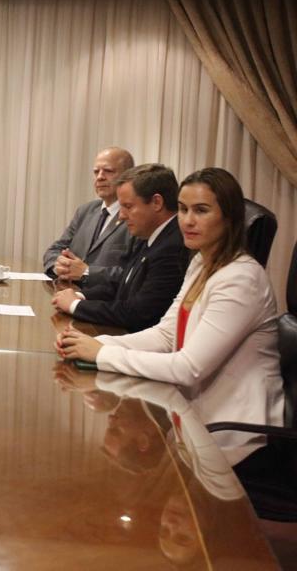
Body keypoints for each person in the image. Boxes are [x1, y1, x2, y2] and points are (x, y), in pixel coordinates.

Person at [56, 167, 283, 430]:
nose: (187, 221)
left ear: (229, 217)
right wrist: (94, 343)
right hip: (193, 418)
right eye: (183, 209)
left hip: (231, 431)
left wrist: (102, 353)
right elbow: (166, 335)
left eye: (201, 210)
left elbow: (189, 368)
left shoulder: (242, 279)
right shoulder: (200, 263)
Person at [52, 164, 189, 332]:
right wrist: (80, 296)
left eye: (128, 206)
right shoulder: (149, 234)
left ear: (156, 202)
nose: (122, 216)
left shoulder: (173, 246)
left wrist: (75, 305)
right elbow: (122, 285)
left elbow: (138, 313)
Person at [43, 147, 135, 285]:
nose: (100, 177)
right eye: (96, 172)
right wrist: (60, 266)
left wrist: (86, 272)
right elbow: (55, 249)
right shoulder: (86, 210)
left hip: (106, 296)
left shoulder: (135, 216)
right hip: (68, 290)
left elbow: (133, 274)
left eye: (108, 171)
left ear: (128, 176)